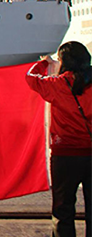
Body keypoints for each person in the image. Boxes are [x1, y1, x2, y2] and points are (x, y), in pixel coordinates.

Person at [25, 41, 91, 237]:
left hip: (65, 156)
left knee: (63, 210)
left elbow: (30, 78)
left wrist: (44, 63)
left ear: (64, 62)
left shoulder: (56, 85)